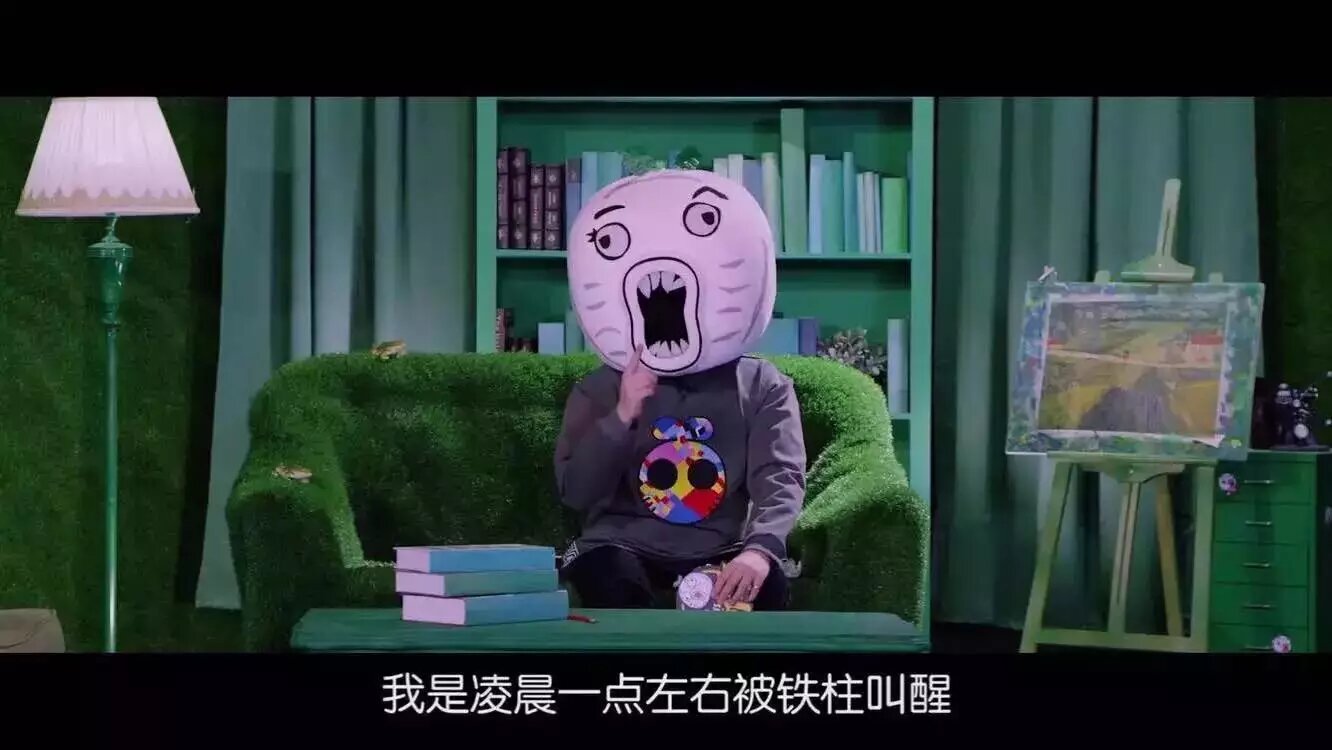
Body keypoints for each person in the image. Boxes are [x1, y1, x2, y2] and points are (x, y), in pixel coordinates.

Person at [554, 168, 806, 610]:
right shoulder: (599, 388)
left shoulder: (762, 385)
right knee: (611, 579)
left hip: (723, 547)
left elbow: (780, 478)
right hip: (616, 545)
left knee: (766, 589)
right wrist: (622, 415)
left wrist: (760, 551)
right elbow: (575, 492)